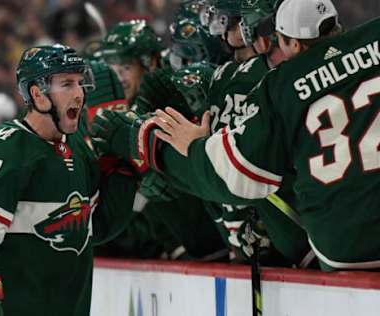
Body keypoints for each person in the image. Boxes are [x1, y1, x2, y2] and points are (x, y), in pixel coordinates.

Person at [153, 0, 380, 271]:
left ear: (292, 43)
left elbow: (238, 173)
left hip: (343, 247)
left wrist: (193, 147)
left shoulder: (279, 85)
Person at [0, 44, 137, 315]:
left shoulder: (78, 149)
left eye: (81, 83)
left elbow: (94, 228)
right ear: (38, 94)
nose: (79, 94)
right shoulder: (7, 147)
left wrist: (124, 173)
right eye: (67, 84)